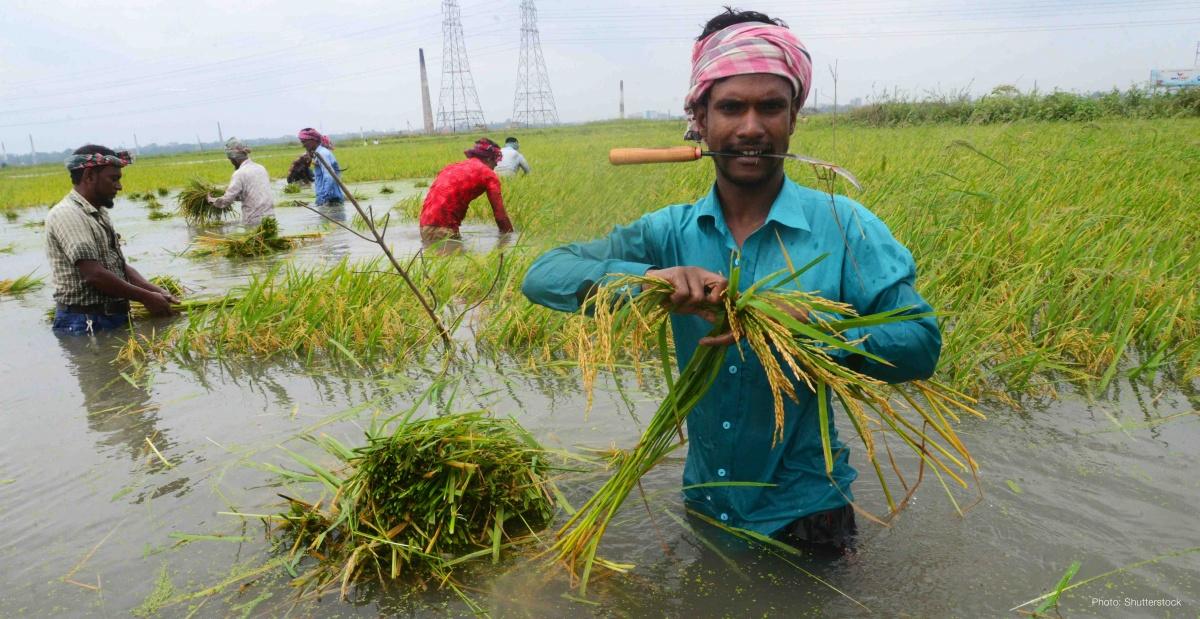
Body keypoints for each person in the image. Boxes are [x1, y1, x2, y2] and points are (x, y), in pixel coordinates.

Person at [521, 9, 940, 553]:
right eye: (730, 107)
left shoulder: (845, 225)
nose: (750, 127)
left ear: (794, 117)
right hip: (706, 503)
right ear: (699, 117)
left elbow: (920, 344)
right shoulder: (668, 232)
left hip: (809, 512)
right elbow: (543, 275)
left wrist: (816, 330)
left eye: (771, 106)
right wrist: (649, 279)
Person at [45, 145, 178, 333]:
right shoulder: (68, 214)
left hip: (110, 318)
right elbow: (93, 274)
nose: (119, 186)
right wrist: (146, 298)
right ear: (89, 176)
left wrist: (153, 290)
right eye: (113, 179)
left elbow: (117, 266)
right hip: (85, 322)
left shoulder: (98, 212)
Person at [418, 137, 515, 244]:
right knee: (453, 258)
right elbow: (500, 215)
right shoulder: (488, 175)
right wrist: (509, 238)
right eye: (495, 161)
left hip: (424, 225)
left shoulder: (451, 167)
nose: (496, 165)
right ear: (488, 159)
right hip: (444, 227)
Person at [209, 138, 275, 226]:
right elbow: (251, 194)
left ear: (234, 158)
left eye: (230, 160)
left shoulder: (239, 173)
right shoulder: (261, 168)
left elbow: (227, 200)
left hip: (253, 221)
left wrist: (211, 200)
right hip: (270, 219)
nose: (231, 162)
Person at [298, 127, 344, 205]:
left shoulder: (322, 154)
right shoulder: (318, 154)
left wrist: (324, 198)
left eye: (304, 142)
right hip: (328, 199)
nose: (303, 145)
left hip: (331, 200)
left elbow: (329, 176)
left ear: (313, 141)